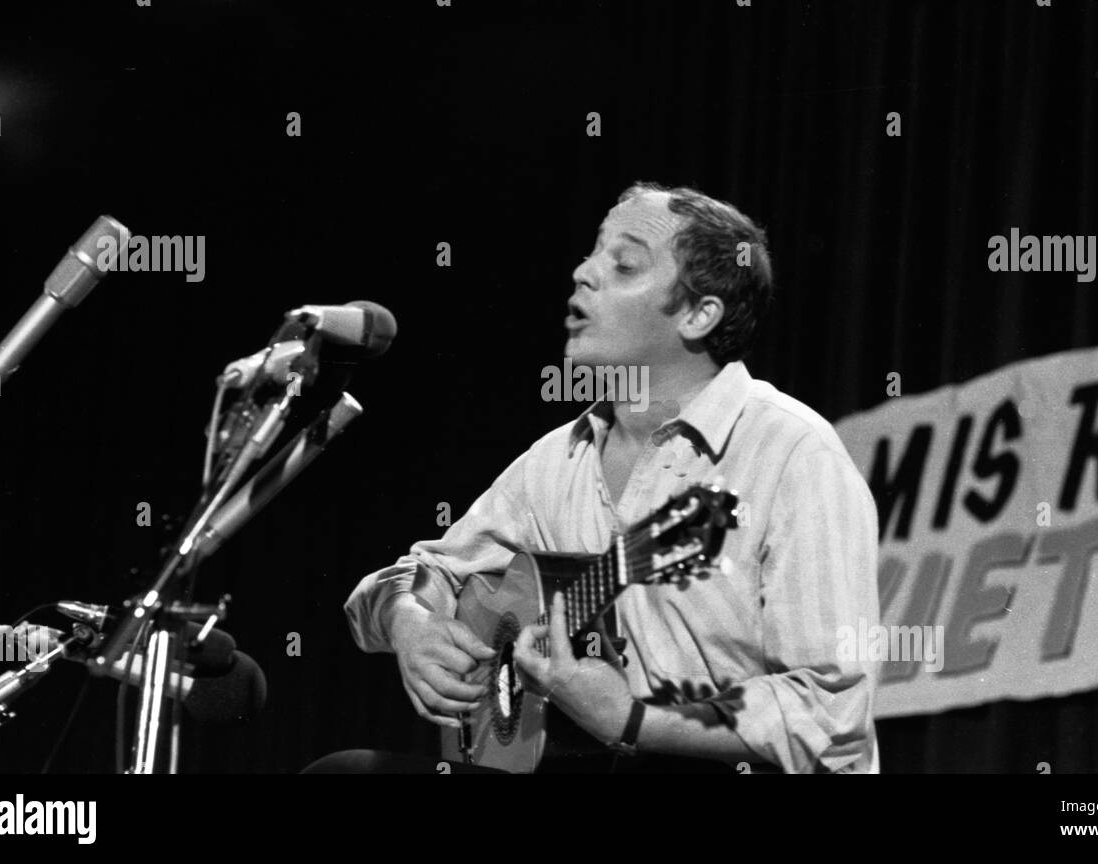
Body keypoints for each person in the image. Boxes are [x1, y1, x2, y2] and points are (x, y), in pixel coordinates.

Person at [332, 182, 881, 774]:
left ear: (699, 315)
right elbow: (424, 570)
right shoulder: (556, 461)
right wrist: (408, 620)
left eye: (623, 265)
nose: (582, 273)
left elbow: (831, 712)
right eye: (592, 253)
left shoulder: (794, 454)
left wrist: (633, 720)